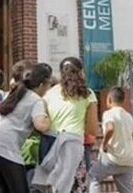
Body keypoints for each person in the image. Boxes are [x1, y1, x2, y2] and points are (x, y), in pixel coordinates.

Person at [0, 63, 51, 193]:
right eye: (48, 85)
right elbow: (41, 125)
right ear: (42, 85)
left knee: (3, 190)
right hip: (6, 148)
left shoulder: (13, 93)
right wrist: (49, 119)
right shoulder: (36, 100)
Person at [37, 57, 98, 192]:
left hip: (50, 144)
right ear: (81, 72)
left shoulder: (48, 94)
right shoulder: (87, 94)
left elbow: (44, 121)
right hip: (73, 144)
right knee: (74, 187)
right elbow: (92, 129)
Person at [89, 87, 133, 193]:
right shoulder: (128, 116)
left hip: (113, 158)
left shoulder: (109, 113)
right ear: (123, 100)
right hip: (128, 161)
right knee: (127, 190)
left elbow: (110, 128)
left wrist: (104, 144)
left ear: (109, 99)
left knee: (93, 176)